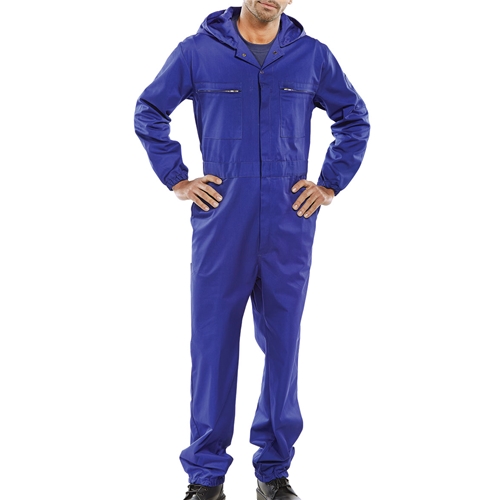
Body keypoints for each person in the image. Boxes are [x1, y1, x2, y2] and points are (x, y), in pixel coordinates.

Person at [134, 1, 370, 499]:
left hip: (289, 221)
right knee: (212, 347)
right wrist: (177, 178)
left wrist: (329, 184)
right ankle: (206, 478)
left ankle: (273, 473)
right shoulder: (198, 53)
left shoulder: (311, 56)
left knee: (283, 347)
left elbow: (353, 117)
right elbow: (150, 110)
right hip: (222, 220)